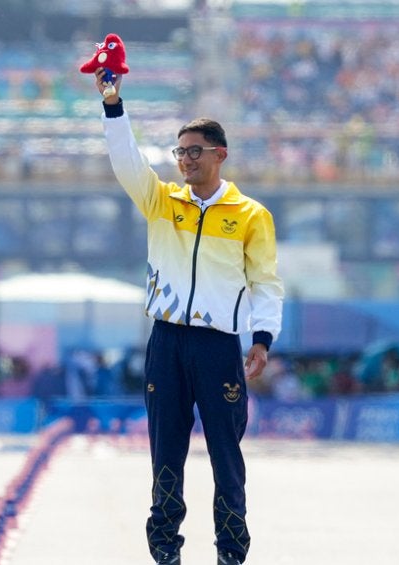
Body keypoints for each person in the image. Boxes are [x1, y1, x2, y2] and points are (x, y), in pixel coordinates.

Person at [92, 68, 284, 565]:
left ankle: (231, 554)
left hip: (219, 346)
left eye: (195, 151)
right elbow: (126, 160)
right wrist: (113, 103)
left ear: (220, 154)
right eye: (179, 152)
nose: (185, 160)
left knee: (226, 454)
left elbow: (265, 281)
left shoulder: (250, 214)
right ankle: (164, 552)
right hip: (166, 342)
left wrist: (262, 338)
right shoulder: (161, 201)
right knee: (165, 452)